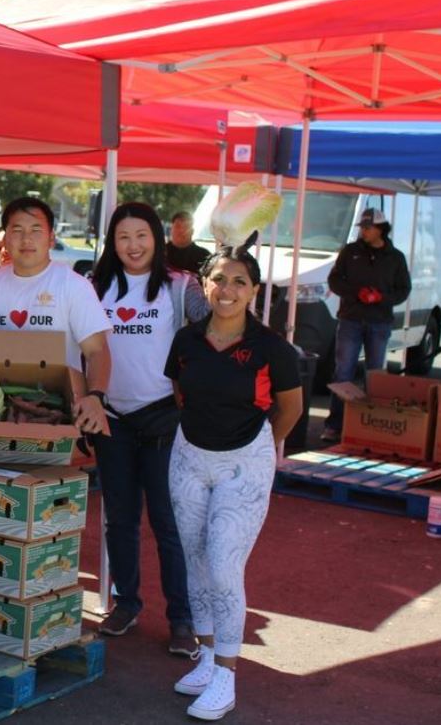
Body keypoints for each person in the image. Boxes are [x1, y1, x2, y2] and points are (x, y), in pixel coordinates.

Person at [164, 238, 303, 721]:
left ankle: (227, 672)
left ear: (254, 290)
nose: (226, 289)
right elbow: (181, 391)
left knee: (224, 564)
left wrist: (257, 447)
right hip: (188, 457)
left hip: (244, 461)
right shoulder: (186, 340)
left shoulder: (271, 348)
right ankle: (205, 657)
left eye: (238, 281)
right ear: (204, 284)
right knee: (196, 560)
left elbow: (291, 408)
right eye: (218, 279)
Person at [89, 203, 209, 657]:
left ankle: (181, 618)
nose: (133, 246)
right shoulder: (94, 287)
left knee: (168, 523)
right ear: (112, 242)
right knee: (119, 520)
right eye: (123, 237)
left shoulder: (181, 286)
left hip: (164, 418)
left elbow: (217, 323)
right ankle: (127, 604)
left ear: (157, 239)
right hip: (111, 419)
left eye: (142, 236)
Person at [0, 196, 112, 436]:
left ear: (51, 238)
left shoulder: (72, 286)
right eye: (17, 230)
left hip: (55, 413)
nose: (26, 239)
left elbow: (97, 350)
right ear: (4, 239)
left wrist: (96, 396)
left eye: (36, 230)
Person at [320, 207, 411, 442]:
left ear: (381, 229)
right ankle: (334, 425)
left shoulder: (396, 257)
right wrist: (356, 293)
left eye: (368, 228)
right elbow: (334, 280)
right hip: (350, 319)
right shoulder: (350, 252)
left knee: (374, 374)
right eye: (363, 227)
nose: (364, 232)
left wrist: (381, 297)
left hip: (379, 322)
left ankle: (370, 425)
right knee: (343, 372)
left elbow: (404, 290)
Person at [166, 211, 210, 275]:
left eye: (186, 226)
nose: (182, 230)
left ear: (192, 231)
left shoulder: (204, 256)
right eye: (178, 226)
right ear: (171, 229)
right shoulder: (159, 254)